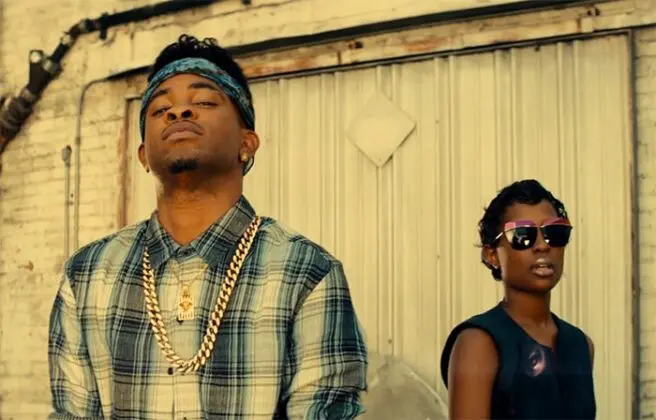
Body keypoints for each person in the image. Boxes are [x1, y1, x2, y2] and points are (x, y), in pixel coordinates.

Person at [48, 34, 368, 419]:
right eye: (160, 108)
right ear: (143, 155)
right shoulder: (88, 275)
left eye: (203, 102)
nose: (179, 112)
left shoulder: (306, 273)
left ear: (246, 143)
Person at [440, 179, 596, 419]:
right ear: (492, 255)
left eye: (554, 232)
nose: (542, 246)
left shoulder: (580, 345)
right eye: (522, 235)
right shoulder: (479, 344)